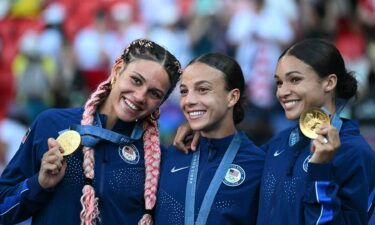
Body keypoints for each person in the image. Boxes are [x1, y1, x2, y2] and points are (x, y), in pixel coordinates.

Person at [174, 39, 375, 224]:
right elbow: (233, 157)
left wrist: (321, 171)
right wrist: (200, 128)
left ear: (329, 82)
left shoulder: (353, 151)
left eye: (294, 80)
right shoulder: (279, 144)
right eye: (279, 82)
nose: (282, 92)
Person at [0, 39, 182, 225]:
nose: (139, 96)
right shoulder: (51, 124)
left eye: (155, 94)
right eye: (136, 80)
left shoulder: (158, 159)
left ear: (161, 102)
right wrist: (39, 184)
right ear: (118, 69)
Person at [154, 53, 265, 225]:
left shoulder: (258, 165)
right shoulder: (171, 156)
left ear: (232, 97)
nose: (189, 100)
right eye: (184, 91)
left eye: (203, 89)